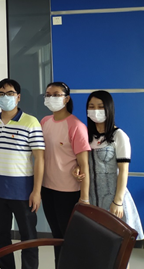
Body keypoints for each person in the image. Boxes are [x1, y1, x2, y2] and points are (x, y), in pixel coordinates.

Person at [0, 79, 45, 269]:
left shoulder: (31, 122)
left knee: (28, 237)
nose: (5, 97)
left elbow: (39, 158)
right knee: (0, 236)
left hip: (23, 191)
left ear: (18, 97)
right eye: (1, 94)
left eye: (10, 93)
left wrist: (37, 191)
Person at [74, 91, 143, 239]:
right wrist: (78, 169)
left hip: (113, 198)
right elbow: (84, 163)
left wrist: (118, 201)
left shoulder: (119, 136)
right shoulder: (86, 136)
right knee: (96, 242)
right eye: (91, 106)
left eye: (100, 106)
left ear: (109, 109)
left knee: (117, 244)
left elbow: (123, 171)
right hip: (92, 199)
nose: (95, 110)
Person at [40, 81, 90, 267]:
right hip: (47, 188)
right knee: (56, 236)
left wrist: (84, 198)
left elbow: (83, 165)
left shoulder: (76, 126)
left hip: (68, 192)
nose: (51, 98)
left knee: (69, 239)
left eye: (56, 95)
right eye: (48, 95)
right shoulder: (44, 122)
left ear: (67, 99)